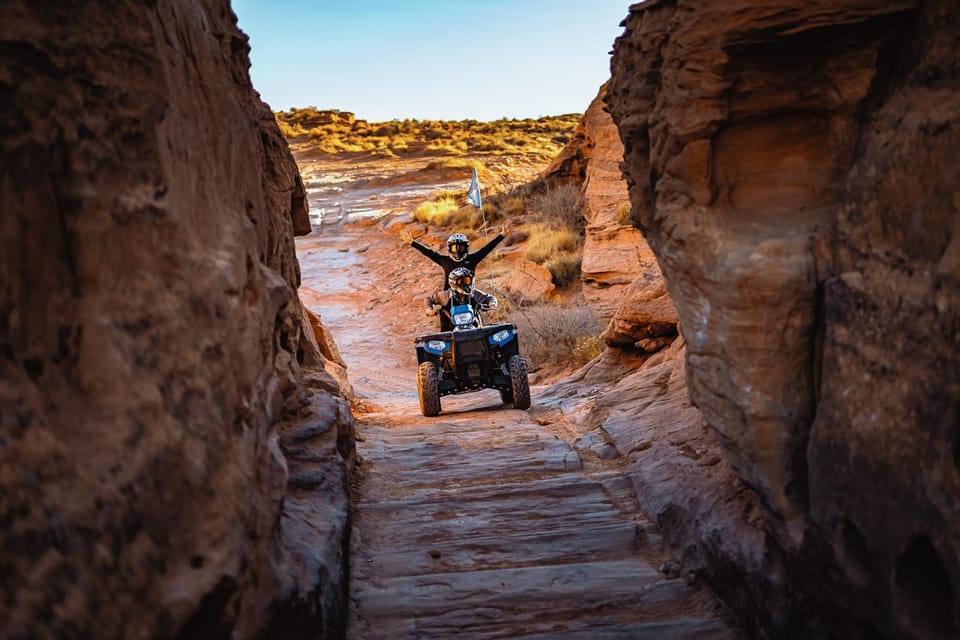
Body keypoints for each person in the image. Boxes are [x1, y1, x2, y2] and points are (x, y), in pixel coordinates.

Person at [399, 219, 513, 293]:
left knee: (478, 312)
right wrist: (413, 243)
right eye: (454, 247)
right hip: (449, 296)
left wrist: (502, 235)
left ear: (466, 248)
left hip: (469, 294)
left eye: (461, 247)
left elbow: (487, 249)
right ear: (449, 249)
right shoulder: (444, 260)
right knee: (444, 315)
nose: (457, 251)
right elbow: (428, 252)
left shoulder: (472, 259)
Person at [425, 267, 498, 331]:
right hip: (450, 330)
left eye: (468, 280)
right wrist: (429, 309)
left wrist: (492, 303)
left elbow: (490, 298)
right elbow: (429, 299)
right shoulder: (446, 295)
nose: (466, 284)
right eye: (462, 281)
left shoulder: (473, 293)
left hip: (475, 328)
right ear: (453, 283)